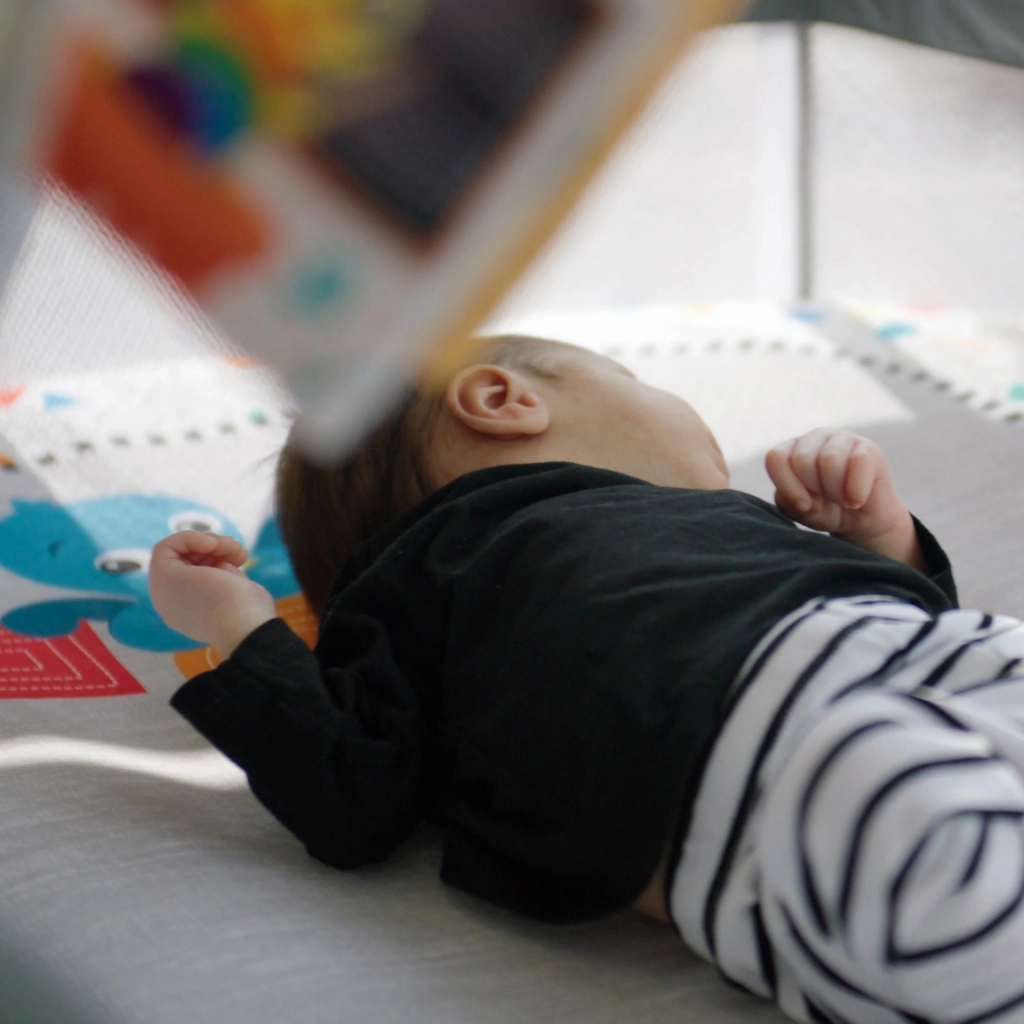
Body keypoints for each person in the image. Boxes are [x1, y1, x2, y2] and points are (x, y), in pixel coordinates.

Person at [150, 335, 1024, 1024]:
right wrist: (238, 625)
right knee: (893, 797)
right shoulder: (424, 577)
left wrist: (881, 539)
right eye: (632, 378)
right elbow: (350, 791)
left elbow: (910, 626)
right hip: (788, 795)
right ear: (504, 401)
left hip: (937, 669)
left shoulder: (712, 520)